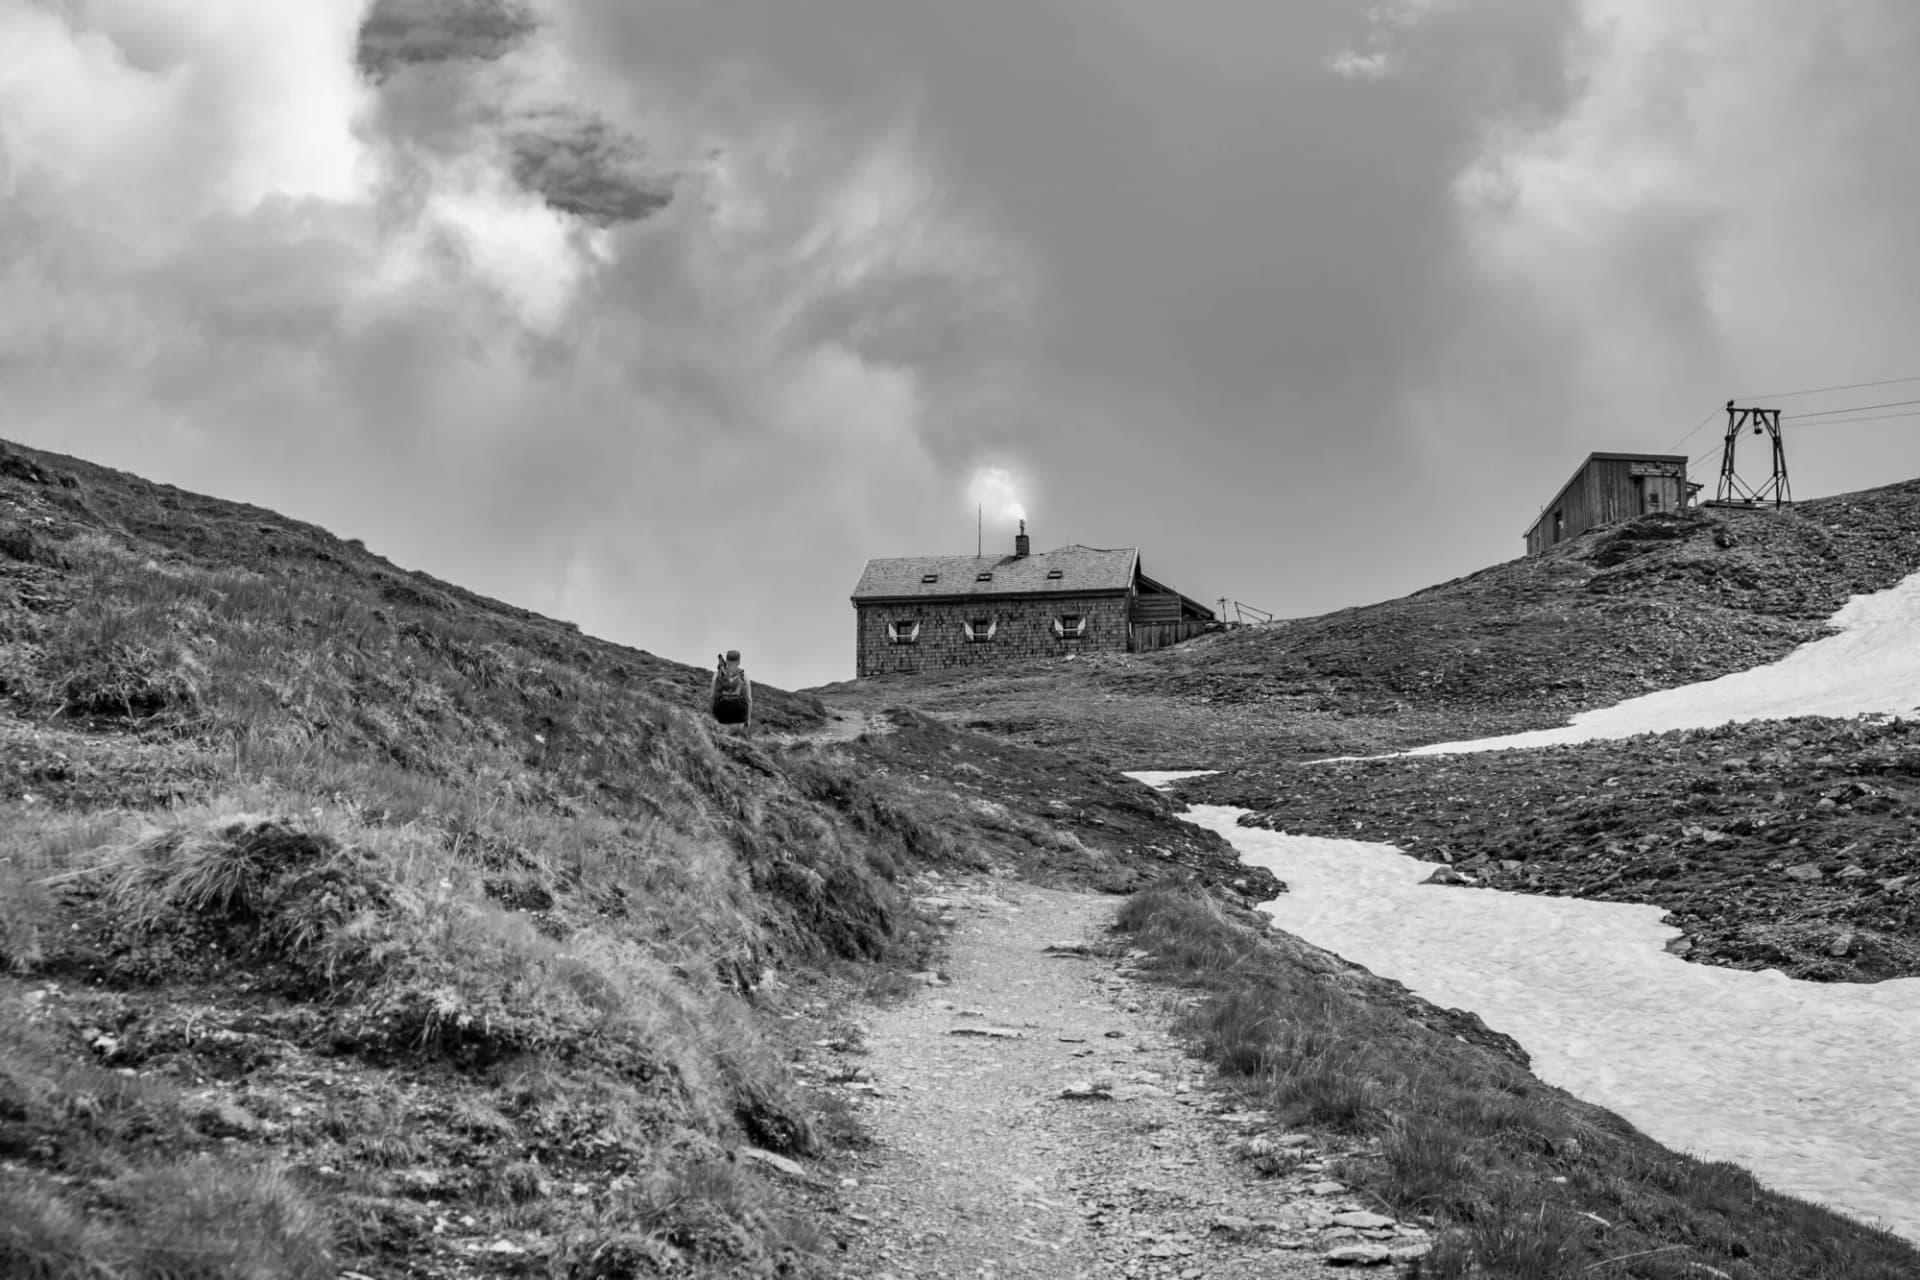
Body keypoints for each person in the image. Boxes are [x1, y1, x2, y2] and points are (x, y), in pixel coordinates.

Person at [710, 649, 753, 735]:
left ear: (726, 660)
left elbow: (712, 697)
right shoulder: (744, 676)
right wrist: (748, 720)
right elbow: (749, 700)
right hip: (739, 718)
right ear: (739, 662)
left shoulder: (717, 674)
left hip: (721, 717)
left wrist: (712, 716)